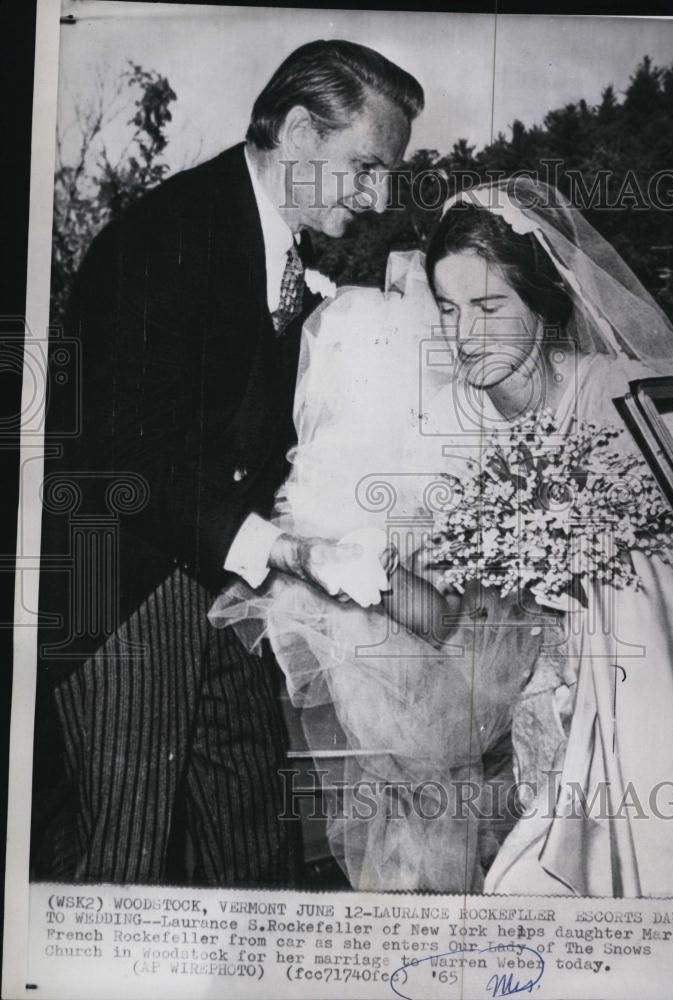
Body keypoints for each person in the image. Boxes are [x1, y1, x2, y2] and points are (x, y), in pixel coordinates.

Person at [212, 177, 673, 898]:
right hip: (529, 713)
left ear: (541, 302)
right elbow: (442, 614)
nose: (464, 335)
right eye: (449, 309)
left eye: (489, 306)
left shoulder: (620, 395)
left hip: (635, 693)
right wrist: (357, 565)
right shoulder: (445, 424)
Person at [33, 40, 422, 885]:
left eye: (390, 173)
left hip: (221, 579)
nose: (380, 195)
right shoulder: (166, 236)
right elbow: (126, 457)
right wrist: (283, 553)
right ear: (294, 130)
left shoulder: (284, 243)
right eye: (365, 166)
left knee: (251, 840)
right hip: (123, 580)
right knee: (126, 856)